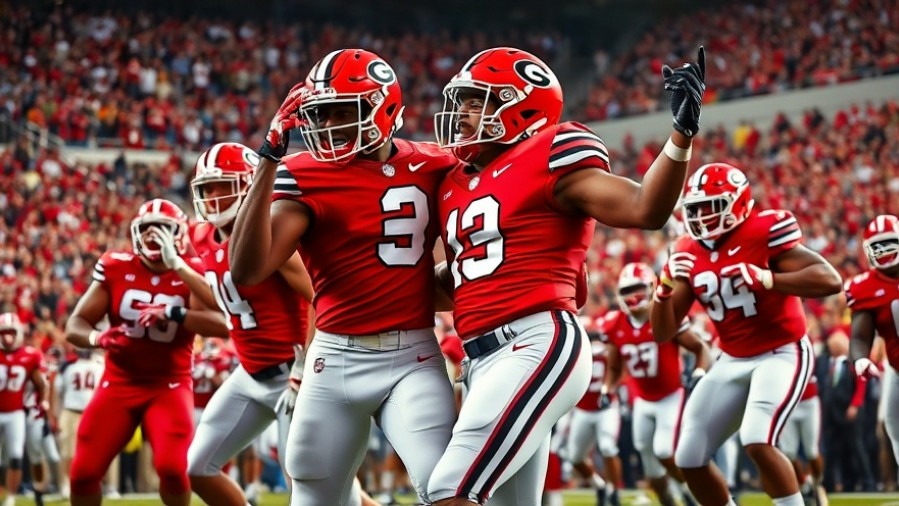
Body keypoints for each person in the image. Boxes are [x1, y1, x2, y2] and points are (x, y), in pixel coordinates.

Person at [426, 45, 706, 505]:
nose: (462, 113)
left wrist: (680, 136)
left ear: (521, 108)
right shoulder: (456, 182)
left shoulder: (551, 152)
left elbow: (645, 208)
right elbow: (459, 279)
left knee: (449, 489)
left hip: (534, 342)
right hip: (481, 359)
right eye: (464, 100)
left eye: (479, 100)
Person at [229, 49, 458, 505]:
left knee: (447, 486)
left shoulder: (437, 164)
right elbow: (248, 268)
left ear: (385, 107)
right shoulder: (303, 173)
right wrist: (269, 160)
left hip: (412, 354)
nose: (329, 125)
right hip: (334, 358)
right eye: (321, 113)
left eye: (342, 111)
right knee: (314, 493)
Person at [650, 162, 843, 506]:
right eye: (694, 208)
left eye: (710, 206)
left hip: (782, 352)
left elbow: (829, 279)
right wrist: (662, 289)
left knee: (757, 438)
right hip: (732, 358)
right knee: (689, 457)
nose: (700, 216)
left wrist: (771, 279)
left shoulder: (763, 230)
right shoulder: (686, 250)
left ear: (737, 202)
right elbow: (664, 332)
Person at [150, 142, 312, 506]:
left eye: (224, 185)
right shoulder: (203, 236)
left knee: (312, 486)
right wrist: (179, 265)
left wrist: (306, 368)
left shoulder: (269, 231)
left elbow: (321, 296)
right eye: (207, 188)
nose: (213, 196)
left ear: (252, 185)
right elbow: (222, 301)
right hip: (251, 373)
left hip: (294, 375)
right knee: (198, 466)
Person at [64, 198, 229, 506]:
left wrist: (174, 313)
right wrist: (99, 337)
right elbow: (75, 324)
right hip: (118, 382)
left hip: (169, 384)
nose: (153, 236)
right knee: (83, 472)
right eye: (147, 229)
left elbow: (223, 323)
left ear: (178, 233)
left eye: (163, 228)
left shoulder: (192, 271)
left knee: (173, 469)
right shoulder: (116, 265)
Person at [601, 262, 709, 506]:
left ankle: (692, 494)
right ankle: (669, 500)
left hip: (671, 395)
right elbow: (616, 367)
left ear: (652, 287)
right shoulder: (614, 324)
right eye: (627, 290)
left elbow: (700, 347)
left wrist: (699, 372)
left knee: (663, 451)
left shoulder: (662, 315)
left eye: (638, 287)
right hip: (643, 399)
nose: (633, 295)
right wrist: (609, 388)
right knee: (650, 467)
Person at [847, 214, 899, 482]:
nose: (884, 251)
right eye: (877, 246)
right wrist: (860, 360)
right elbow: (859, 336)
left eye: (889, 243)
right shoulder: (865, 286)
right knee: (895, 430)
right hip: (896, 370)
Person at [0, 313, 48, 506]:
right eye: (4, 332)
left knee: (16, 455)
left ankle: (11, 496)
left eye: (11, 332)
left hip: (16, 412)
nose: (7, 337)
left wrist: (43, 402)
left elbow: (41, 384)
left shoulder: (30, 354)